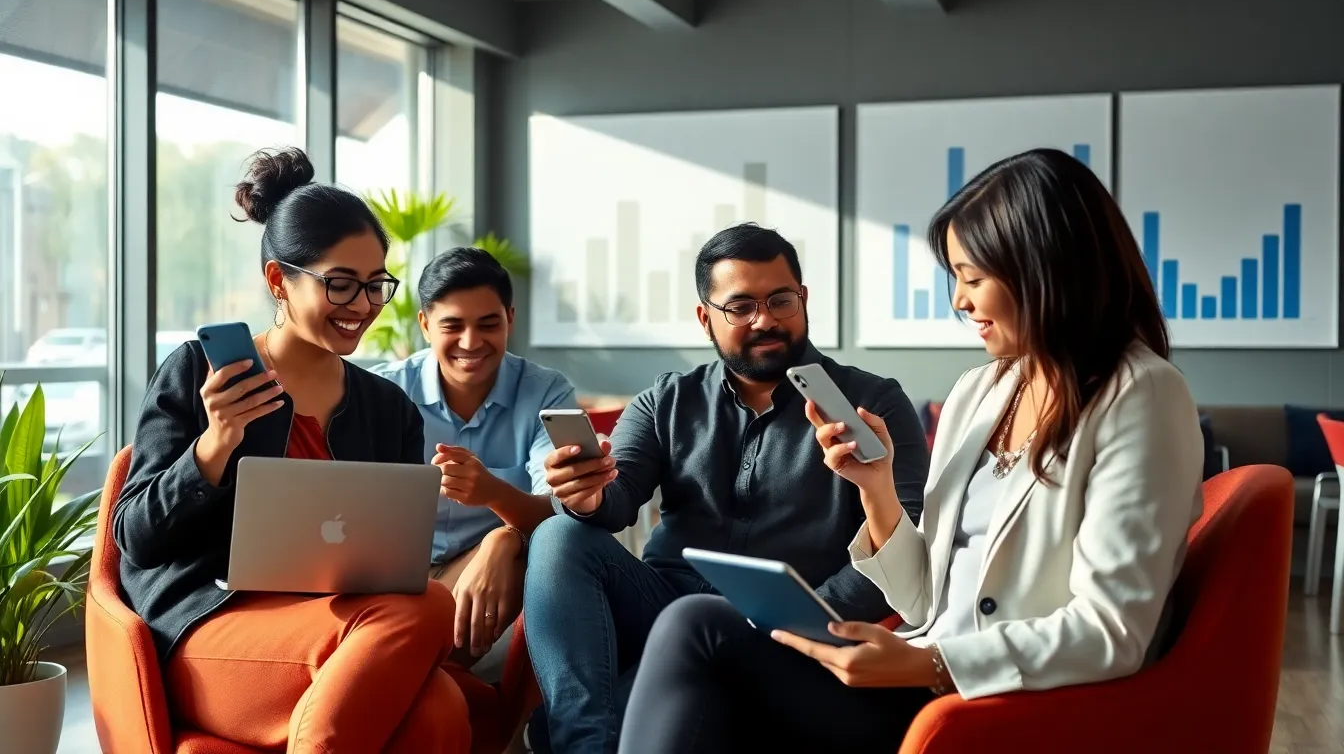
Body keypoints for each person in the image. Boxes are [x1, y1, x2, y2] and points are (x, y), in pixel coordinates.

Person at [616, 148, 1206, 753]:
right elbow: (924, 597)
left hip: (995, 702)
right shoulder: (983, 389)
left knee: (697, 632)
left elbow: (1113, 630)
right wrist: (875, 488)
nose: (960, 301)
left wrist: (929, 666)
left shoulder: (1143, 395)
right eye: (957, 279)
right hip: (923, 676)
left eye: (974, 278)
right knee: (696, 631)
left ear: (1047, 269)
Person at [114, 147, 471, 754]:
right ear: (279, 279)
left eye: (376, 285)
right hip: (212, 630)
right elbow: (135, 537)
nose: (363, 306)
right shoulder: (203, 373)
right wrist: (214, 444)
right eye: (340, 284)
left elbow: (396, 559)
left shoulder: (388, 410)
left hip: (340, 627)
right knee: (428, 612)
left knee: (439, 707)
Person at [523, 223, 931, 754]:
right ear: (706, 317)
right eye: (740, 307)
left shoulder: (872, 405)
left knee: (619, 701)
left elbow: (906, 541)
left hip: (791, 631)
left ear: (803, 300)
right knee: (559, 535)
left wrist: (790, 618)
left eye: (781, 300)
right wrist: (584, 495)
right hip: (664, 609)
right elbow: (615, 502)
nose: (765, 321)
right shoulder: (666, 401)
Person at [372, 246, 577, 682]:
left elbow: (563, 513)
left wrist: (500, 524)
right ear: (425, 324)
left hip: (485, 572)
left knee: (542, 552)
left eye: (488, 324)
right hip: (391, 576)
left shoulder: (546, 392)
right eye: (452, 326)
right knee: (402, 663)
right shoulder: (384, 393)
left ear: (510, 320)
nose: (471, 343)